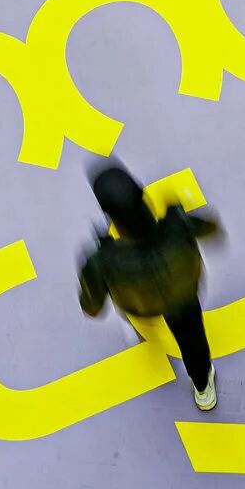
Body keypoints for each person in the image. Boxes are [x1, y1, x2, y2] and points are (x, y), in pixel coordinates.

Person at [77, 162, 222, 411]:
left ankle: (145, 330)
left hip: (139, 305)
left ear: (109, 215)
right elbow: (211, 230)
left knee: (138, 313)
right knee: (193, 341)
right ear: (142, 195)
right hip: (183, 297)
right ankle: (203, 388)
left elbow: (92, 307)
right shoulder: (177, 225)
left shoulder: (103, 260)